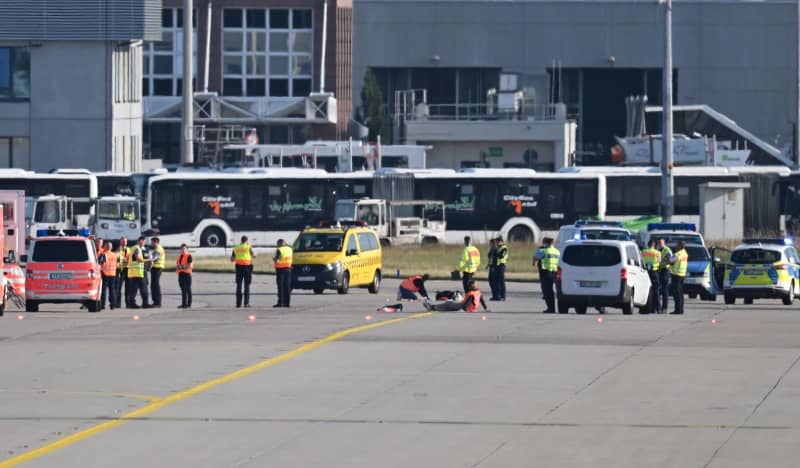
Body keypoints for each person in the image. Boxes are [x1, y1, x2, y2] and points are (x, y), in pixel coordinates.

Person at [424, 280, 488, 313]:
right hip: (472, 308)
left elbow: (467, 303)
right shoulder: (478, 292)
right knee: (448, 307)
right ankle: (433, 308)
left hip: (463, 307)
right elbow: (482, 300)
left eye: (469, 285)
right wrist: (485, 308)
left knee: (448, 304)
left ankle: (432, 307)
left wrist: (463, 310)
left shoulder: (471, 294)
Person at [534, 237, 560, 313]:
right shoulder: (557, 251)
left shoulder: (543, 250)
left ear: (546, 242)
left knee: (547, 291)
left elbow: (536, 257)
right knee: (551, 291)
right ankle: (552, 308)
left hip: (545, 272)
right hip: (554, 272)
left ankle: (550, 308)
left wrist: (539, 249)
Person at [231, 235, 255, 308]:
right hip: (247, 267)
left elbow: (232, 259)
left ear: (241, 241)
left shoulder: (236, 248)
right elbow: (253, 255)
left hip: (238, 267)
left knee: (239, 285)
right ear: (247, 240)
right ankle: (246, 303)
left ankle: (238, 304)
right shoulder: (248, 247)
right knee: (246, 286)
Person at [126, 236, 150, 308]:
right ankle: (143, 303)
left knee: (135, 289)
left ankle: (133, 303)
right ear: (140, 241)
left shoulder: (134, 248)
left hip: (135, 272)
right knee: (142, 288)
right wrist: (149, 260)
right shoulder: (137, 248)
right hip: (137, 272)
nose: (144, 243)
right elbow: (138, 259)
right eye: (144, 241)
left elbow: (129, 259)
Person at [641, 239, 662, 314]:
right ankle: (658, 308)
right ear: (653, 244)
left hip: (645, 273)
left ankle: (646, 308)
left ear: (648, 244)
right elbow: (660, 263)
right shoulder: (657, 253)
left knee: (646, 291)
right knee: (656, 291)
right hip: (654, 273)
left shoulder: (643, 252)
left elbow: (641, 261)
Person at [669, 241, 689, 315]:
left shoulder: (677, 254)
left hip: (676, 275)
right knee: (680, 293)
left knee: (676, 293)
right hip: (682, 274)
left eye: (677, 245)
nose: (676, 246)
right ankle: (681, 309)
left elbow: (670, 261)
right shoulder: (685, 253)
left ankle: (677, 310)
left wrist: (670, 257)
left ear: (680, 246)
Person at [273, 238, 293, 308]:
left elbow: (277, 260)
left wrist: (274, 259)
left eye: (277, 244)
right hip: (288, 269)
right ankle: (287, 303)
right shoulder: (290, 249)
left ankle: (280, 302)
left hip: (280, 270)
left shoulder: (279, 250)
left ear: (280, 243)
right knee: (287, 286)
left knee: (280, 287)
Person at [99, 241, 117, 310]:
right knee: (112, 290)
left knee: (103, 290)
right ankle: (112, 305)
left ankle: (102, 305)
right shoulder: (114, 254)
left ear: (105, 247)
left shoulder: (103, 254)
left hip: (105, 273)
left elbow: (100, 263)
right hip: (112, 273)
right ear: (111, 247)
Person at [657, 238, 673, 314]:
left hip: (665, 271)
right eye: (659, 243)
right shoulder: (657, 250)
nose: (660, 244)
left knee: (664, 290)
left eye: (661, 243)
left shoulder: (667, 250)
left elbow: (671, 260)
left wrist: (663, 263)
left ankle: (664, 308)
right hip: (658, 271)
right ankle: (657, 307)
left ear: (664, 243)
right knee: (656, 290)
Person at [149, 237, 166, 308]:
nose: (151, 244)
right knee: (153, 285)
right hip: (155, 268)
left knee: (156, 286)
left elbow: (153, 259)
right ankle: (155, 302)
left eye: (152, 242)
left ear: (156, 242)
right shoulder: (156, 249)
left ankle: (158, 303)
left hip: (157, 268)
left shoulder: (158, 249)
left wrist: (148, 260)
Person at [490, 236, 508, 301]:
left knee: (501, 282)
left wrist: (497, 251)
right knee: (496, 282)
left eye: (498, 242)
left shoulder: (504, 248)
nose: (497, 243)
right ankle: (498, 296)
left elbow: (501, 256)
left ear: (501, 241)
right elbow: (494, 258)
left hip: (501, 266)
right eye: (496, 242)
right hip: (496, 266)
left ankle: (503, 296)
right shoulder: (498, 248)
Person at [176, 243, 193, 309]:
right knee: (183, 290)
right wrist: (181, 267)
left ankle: (188, 304)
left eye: (184, 249)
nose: (182, 250)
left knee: (188, 289)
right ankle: (183, 304)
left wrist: (182, 267)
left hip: (187, 274)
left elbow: (189, 265)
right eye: (181, 249)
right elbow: (177, 265)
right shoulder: (179, 256)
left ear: (187, 249)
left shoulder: (189, 256)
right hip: (181, 274)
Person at [114, 237, 128, 309]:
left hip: (128, 270)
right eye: (122, 241)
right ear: (120, 242)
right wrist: (118, 251)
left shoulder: (129, 249)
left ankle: (128, 303)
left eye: (125, 241)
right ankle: (117, 303)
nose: (124, 243)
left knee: (128, 288)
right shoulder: (118, 250)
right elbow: (115, 257)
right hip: (120, 270)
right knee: (118, 287)